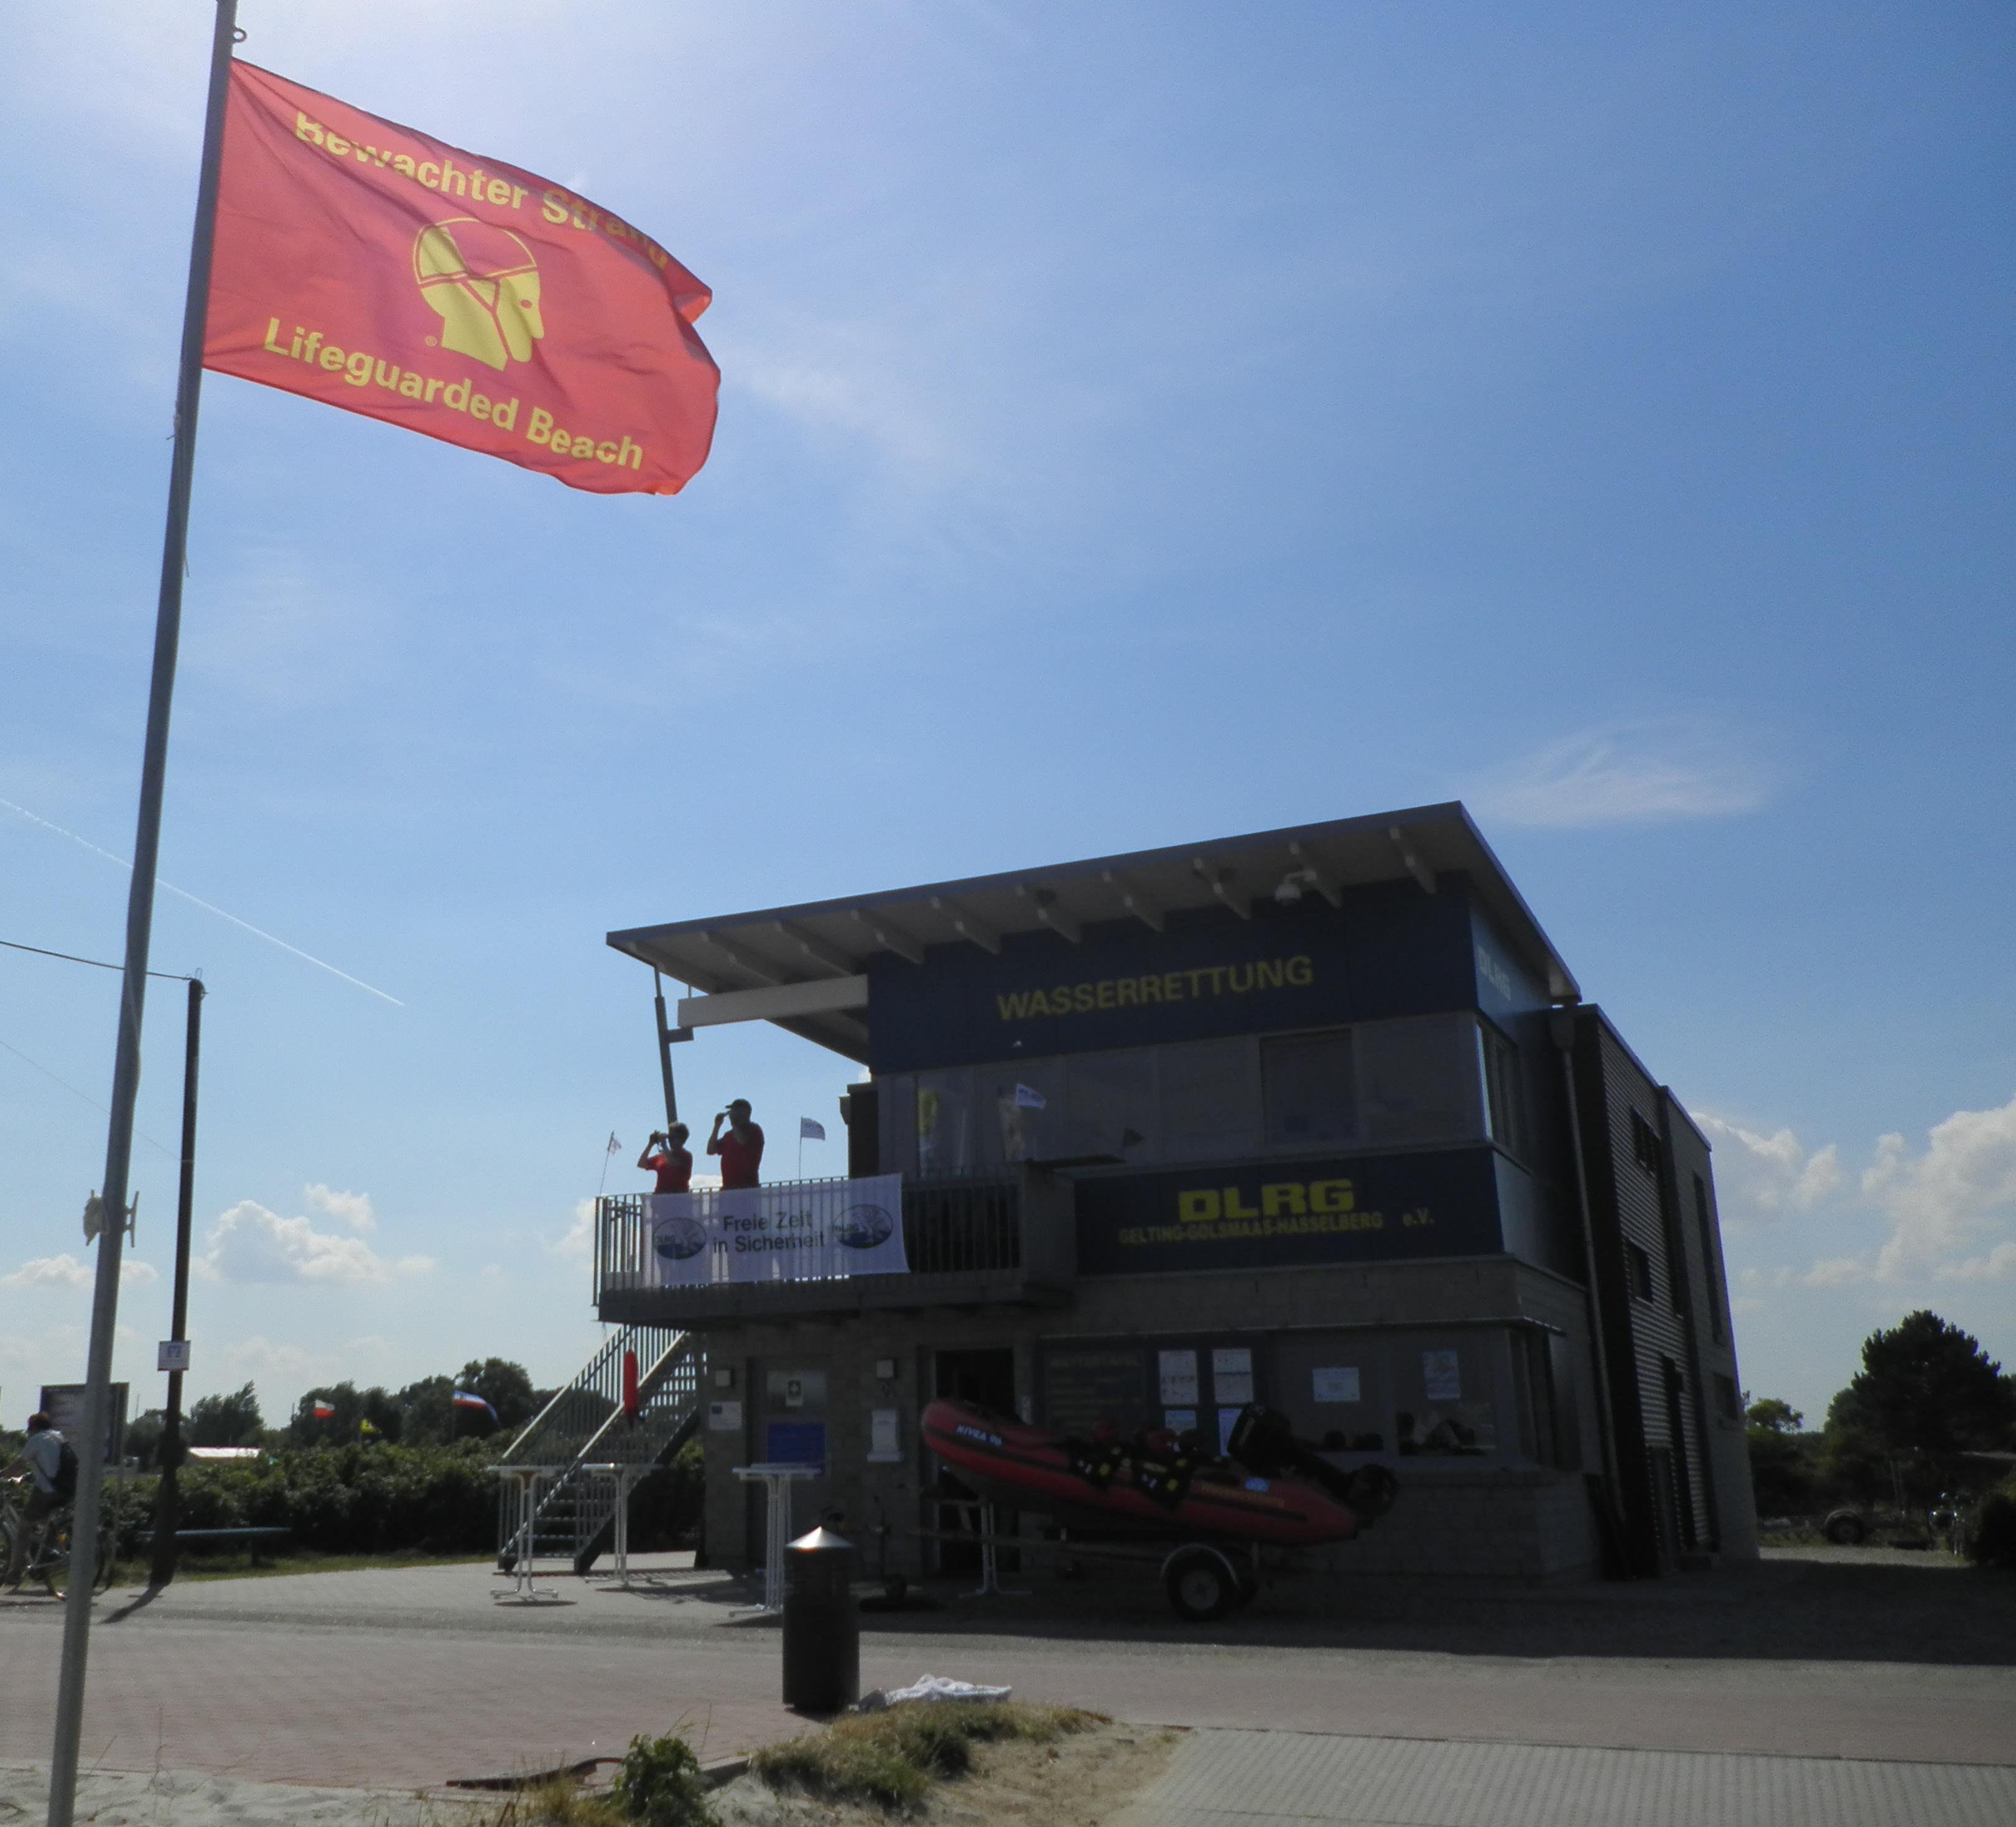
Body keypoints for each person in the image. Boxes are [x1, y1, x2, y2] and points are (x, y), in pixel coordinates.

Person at [2, 1412, 67, 1592]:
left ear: (35, 1427)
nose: (29, 1433)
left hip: (46, 1491)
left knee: (23, 1528)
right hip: (64, 1489)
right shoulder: (59, 1437)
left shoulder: (37, 1440)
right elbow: (50, 1467)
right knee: (39, 1525)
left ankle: (15, 1572)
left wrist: (3, 1474)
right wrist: (27, 1477)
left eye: (29, 1429)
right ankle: (44, 1561)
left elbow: (19, 1463)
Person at [708, 1099, 764, 1189]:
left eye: (733, 1111)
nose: (730, 1114)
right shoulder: (728, 1135)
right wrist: (717, 1126)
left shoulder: (755, 1130)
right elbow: (711, 1150)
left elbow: (742, 1141)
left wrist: (735, 1122)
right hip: (728, 1189)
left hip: (748, 1188)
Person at [637, 1123, 692, 1194]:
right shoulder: (662, 1156)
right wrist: (650, 1144)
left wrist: (664, 1145)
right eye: (669, 1138)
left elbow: (674, 1163)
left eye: (673, 1138)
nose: (670, 1141)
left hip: (678, 1197)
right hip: (661, 1197)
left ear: (682, 1139)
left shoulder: (686, 1156)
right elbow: (641, 1164)